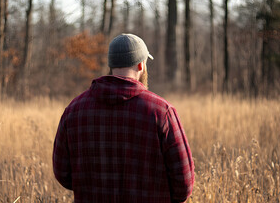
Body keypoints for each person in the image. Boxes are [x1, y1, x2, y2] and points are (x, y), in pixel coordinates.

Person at [53, 33, 194, 203]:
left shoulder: (74, 110)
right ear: (141, 65)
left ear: (111, 65)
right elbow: (184, 185)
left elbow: (63, 173)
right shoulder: (162, 112)